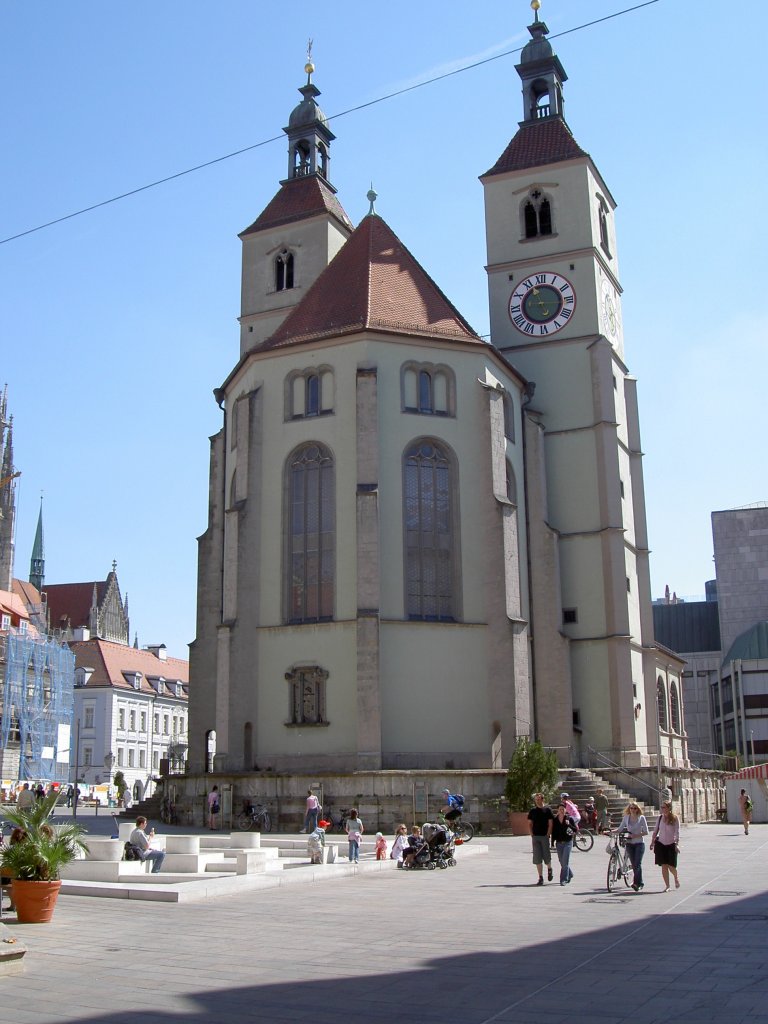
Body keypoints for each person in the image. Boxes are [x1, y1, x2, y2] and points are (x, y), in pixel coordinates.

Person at [650, 801, 680, 891]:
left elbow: (677, 832)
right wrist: (652, 842)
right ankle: (667, 886)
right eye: (662, 807)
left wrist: (677, 844)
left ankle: (676, 877)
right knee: (664, 866)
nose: (663, 809)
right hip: (661, 844)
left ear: (669, 808)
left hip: (671, 844)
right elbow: (655, 831)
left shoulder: (674, 818)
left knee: (671, 866)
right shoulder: (660, 818)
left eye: (664, 807)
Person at [619, 802, 649, 891]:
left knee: (637, 863)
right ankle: (640, 882)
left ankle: (636, 883)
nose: (633, 810)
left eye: (635, 808)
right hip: (629, 844)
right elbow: (620, 828)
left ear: (637, 809)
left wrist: (635, 835)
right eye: (631, 808)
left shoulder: (641, 818)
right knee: (634, 864)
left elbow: (646, 832)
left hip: (639, 843)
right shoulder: (626, 818)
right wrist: (610, 832)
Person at [528, 793, 554, 886]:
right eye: (536, 799)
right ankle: (540, 877)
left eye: (539, 799)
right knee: (537, 857)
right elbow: (530, 823)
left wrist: (548, 834)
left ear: (542, 799)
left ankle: (549, 868)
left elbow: (550, 823)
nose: (537, 801)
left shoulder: (547, 810)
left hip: (544, 836)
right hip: (535, 836)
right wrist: (531, 834)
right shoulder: (532, 811)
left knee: (546, 855)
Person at [551, 802, 577, 885]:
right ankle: (570, 874)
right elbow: (553, 832)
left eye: (563, 809)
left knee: (565, 861)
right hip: (559, 843)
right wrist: (552, 843)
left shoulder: (569, 819)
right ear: (558, 810)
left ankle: (563, 879)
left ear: (565, 810)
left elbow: (575, 830)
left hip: (568, 842)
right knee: (561, 861)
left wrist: (569, 825)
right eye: (560, 809)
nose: (561, 811)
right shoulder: (555, 820)